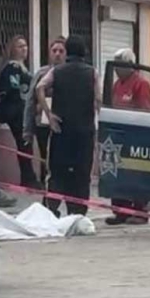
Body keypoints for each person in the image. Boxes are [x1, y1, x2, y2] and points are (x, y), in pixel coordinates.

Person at [36, 35, 101, 217]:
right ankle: (78, 212)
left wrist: (49, 114)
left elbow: (39, 87)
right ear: (84, 52)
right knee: (81, 173)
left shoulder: (57, 71)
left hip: (61, 129)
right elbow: (98, 99)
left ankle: (53, 208)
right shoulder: (92, 72)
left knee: (57, 171)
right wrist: (96, 120)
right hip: (84, 131)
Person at [105, 48, 150, 226]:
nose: (117, 70)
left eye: (120, 65)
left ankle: (140, 211)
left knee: (136, 175)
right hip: (118, 136)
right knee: (117, 174)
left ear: (130, 66)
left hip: (135, 136)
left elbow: (146, 111)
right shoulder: (117, 85)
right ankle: (120, 211)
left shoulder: (141, 84)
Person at [0, 35, 41, 189]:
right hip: (16, 112)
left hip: (23, 111)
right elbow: (11, 90)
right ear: (12, 49)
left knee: (26, 145)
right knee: (24, 144)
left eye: (25, 45)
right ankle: (28, 178)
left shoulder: (22, 67)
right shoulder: (12, 68)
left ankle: (29, 177)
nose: (24, 49)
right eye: (19, 46)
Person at [23, 37, 67, 185]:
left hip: (64, 123)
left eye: (61, 51)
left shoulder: (70, 74)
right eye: (54, 51)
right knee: (45, 158)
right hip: (42, 123)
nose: (57, 54)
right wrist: (27, 130)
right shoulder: (42, 73)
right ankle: (46, 189)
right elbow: (30, 100)